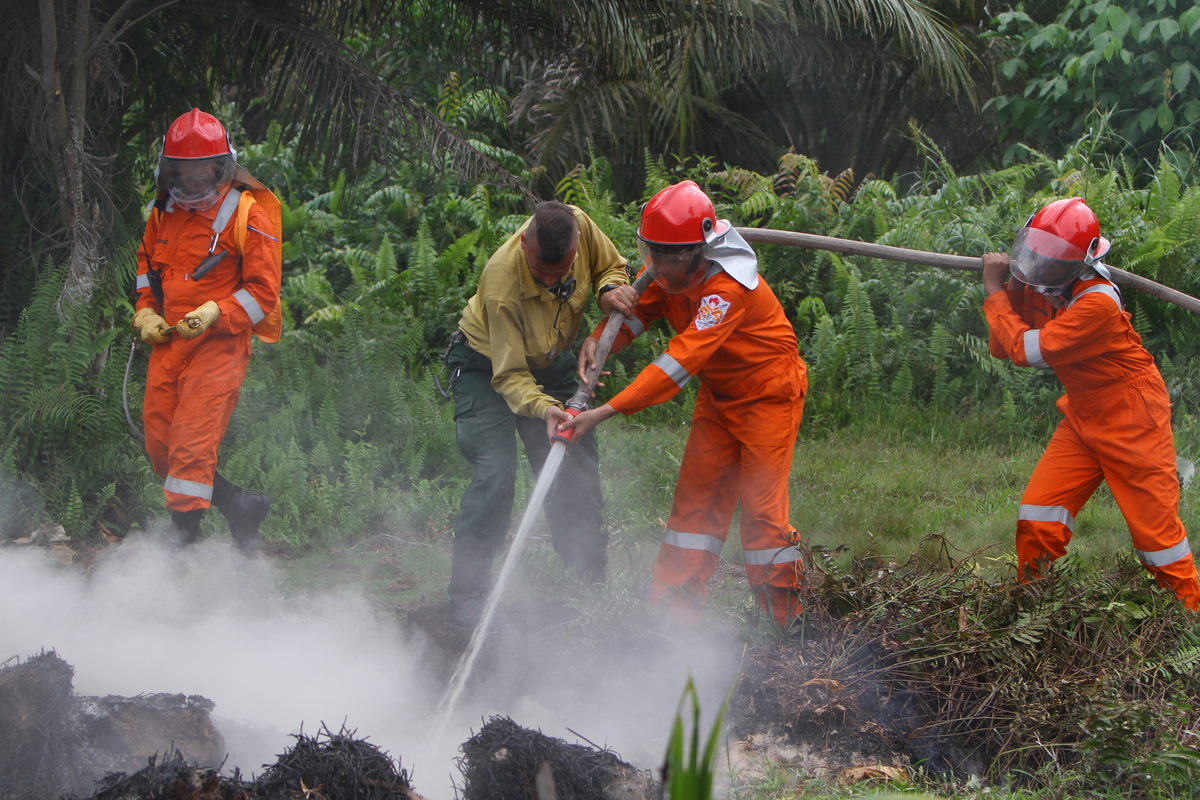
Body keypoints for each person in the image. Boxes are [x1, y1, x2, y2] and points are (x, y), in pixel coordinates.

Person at [561, 180, 808, 627]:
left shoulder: (725, 290)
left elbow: (678, 364)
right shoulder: (672, 271)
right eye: (649, 253)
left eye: (665, 257)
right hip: (719, 399)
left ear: (697, 252)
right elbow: (640, 312)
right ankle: (673, 617)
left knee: (763, 517)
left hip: (769, 397)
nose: (654, 267)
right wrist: (599, 341)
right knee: (692, 507)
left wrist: (603, 412)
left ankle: (784, 623)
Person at [980, 197, 1198, 609]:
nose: (1039, 267)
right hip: (1083, 417)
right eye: (1036, 257)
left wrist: (994, 292)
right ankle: (1033, 611)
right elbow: (1001, 345)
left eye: (1050, 261)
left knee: (1158, 544)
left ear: (1079, 263)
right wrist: (1009, 287)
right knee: (1037, 518)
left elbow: (1027, 350)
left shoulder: (1098, 303)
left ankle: (1188, 624)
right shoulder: (1038, 283)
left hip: (1135, 417)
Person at [444, 200, 637, 628]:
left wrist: (608, 294)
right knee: (496, 474)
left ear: (576, 244)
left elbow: (613, 270)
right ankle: (467, 598)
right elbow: (510, 374)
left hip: (552, 363)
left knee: (574, 465)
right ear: (525, 241)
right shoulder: (501, 281)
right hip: (486, 367)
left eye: (561, 272)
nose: (551, 282)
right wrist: (547, 408)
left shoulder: (580, 226)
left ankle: (587, 582)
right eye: (540, 273)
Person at [130, 108, 282, 552]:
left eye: (203, 168)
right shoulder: (162, 212)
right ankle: (239, 505)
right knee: (162, 449)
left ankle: (182, 552)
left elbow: (263, 293)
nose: (194, 178)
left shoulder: (249, 214)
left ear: (221, 166)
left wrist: (217, 311)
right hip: (171, 341)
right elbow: (147, 274)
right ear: (171, 168)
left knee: (191, 446)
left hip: (220, 345)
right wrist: (145, 314)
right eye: (185, 168)